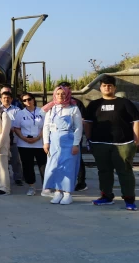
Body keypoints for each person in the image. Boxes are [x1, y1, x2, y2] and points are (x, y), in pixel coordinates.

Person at [84, 76, 139, 211]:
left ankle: (129, 199)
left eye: (110, 85)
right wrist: (89, 139)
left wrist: (136, 139)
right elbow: (87, 123)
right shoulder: (93, 105)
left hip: (123, 144)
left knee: (125, 171)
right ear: (100, 88)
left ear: (114, 88)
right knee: (104, 171)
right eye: (104, 85)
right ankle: (106, 196)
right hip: (99, 143)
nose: (107, 87)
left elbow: (136, 121)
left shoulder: (125, 103)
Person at [41, 86, 83, 205]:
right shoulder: (51, 109)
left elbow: (78, 127)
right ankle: (58, 191)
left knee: (68, 167)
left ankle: (68, 193)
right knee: (55, 166)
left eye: (63, 94)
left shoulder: (73, 109)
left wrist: (76, 144)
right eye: (58, 94)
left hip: (69, 140)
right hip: (54, 141)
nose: (60, 96)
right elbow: (46, 127)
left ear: (67, 95)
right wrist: (46, 142)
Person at [57, 81, 89, 192]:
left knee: (77, 158)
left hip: (73, 135)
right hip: (60, 137)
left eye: (66, 89)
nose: (63, 93)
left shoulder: (76, 103)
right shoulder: (55, 104)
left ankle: (81, 182)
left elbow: (83, 120)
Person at [13, 92, 47, 196]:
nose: (27, 102)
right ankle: (31, 186)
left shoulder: (42, 112)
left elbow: (45, 127)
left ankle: (46, 187)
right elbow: (16, 128)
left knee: (43, 166)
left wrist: (38, 137)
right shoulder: (20, 113)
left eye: (29, 99)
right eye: (24, 100)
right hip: (24, 144)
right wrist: (24, 138)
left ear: (33, 99)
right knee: (28, 166)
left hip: (39, 143)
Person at [0, 90, 24, 187]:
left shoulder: (17, 110)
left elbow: (20, 123)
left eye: (8, 98)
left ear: (11, 99)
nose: (6, 100)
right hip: (1, 139)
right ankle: (4, 179)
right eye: (4, 98)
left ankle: (18, 178)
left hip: (14, 138)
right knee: (2, 160)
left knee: (16, 160)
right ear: (1, 99)